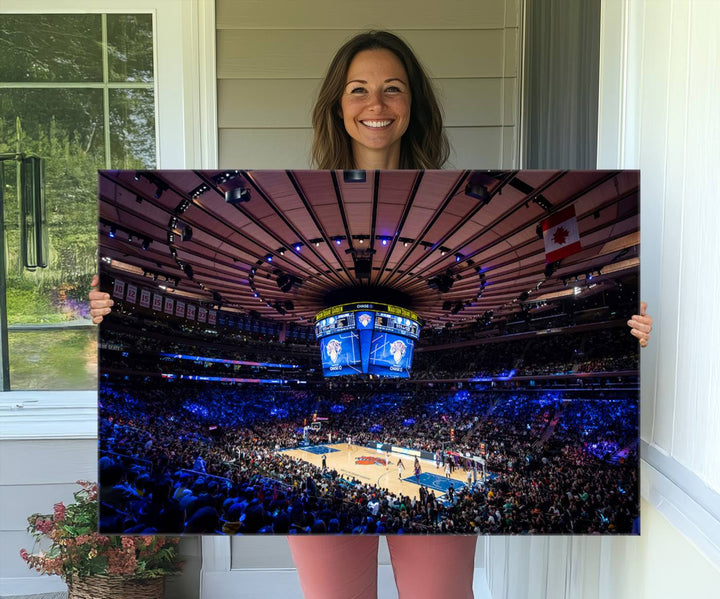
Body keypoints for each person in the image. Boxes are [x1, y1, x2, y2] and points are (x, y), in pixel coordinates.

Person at [89, 29, 653, 599]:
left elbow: (604, 291)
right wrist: (104, 307)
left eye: (393, 89)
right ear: (338, 104)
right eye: (358, 89)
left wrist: (628, 331)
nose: (376, 105)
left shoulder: (456, 185)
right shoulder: (298, 190)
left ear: (414, 105)